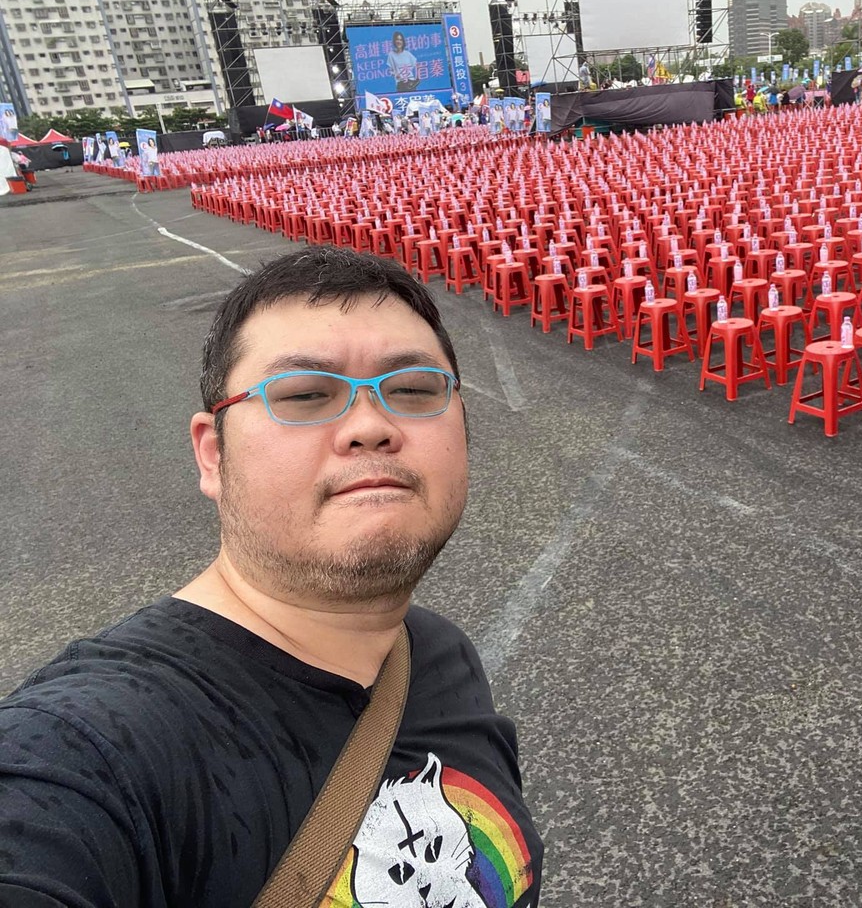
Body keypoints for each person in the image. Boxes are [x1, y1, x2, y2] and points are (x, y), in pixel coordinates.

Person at [0, 248, 544, 908]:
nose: (371, 426)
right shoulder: (93, 745)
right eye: (305, 396)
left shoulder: (439, 657)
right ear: (213, 454)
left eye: (413, 389)